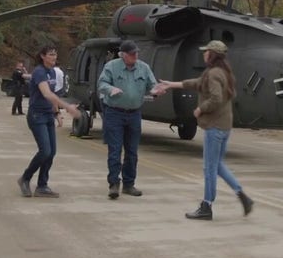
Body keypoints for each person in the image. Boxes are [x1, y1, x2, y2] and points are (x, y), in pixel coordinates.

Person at [157, 40, 253, 220]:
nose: (203, 54)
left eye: (206, 51)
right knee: (218, 166)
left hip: (215, 128)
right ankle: (243, 197)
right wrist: (171, 84)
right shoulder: (223, 72)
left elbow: (215, 98)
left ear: (213, 54)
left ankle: (206, 206)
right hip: (224, 127)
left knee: (209, 168)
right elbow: (197, 83)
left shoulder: (215, 74)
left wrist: (201, 109)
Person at [97, 40, 165, 200]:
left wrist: (157, 91)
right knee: (115, 150)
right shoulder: (112, 66)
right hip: (114, 113)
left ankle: (129, 184)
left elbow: (152, 85)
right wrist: (110, 89)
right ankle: (114, 183)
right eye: (132, 53)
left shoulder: (143, 67)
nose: (135, 55)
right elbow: (101, 84)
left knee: (132, 151)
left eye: (136, 53)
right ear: (123, 55)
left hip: (134, 113)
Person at [17, 45, 81, 198]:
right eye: (51, 54)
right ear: (43, 56)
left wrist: (57, 112)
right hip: (36, 116)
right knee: (44, 150)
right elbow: (46, 93)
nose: (54, 57)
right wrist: (67, 107)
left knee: (51, 152)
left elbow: (52, 95)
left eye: (55, 54)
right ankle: (25, 178)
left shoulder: (52, 72)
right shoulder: (39, 72)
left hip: (47, 115)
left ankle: (42, 186)